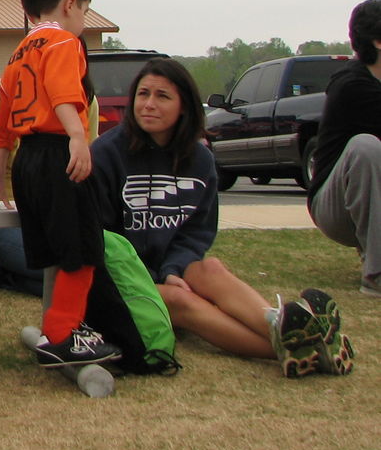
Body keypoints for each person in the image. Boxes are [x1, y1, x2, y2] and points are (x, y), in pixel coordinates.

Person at [91, 58, 354, 376]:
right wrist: (155, 277)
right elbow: (101, 239)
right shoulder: (106, 154)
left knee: (210, 267)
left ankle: (280, 322)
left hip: (168, 268)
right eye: (143, 94)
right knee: (179, 299)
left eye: (162, 96)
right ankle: (298, 350)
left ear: (184, 106)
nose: (148, 104)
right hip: (122, 279)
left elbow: (196, 233)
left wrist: (173, 268)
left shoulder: (200, 159)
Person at [0, 0, 122, 368]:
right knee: (82, 248)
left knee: (57, 249)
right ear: (71, 3)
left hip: (27, 161)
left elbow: (1, 121)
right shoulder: (63, 43)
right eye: (86, 11)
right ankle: (63, 333)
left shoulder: (19, 51)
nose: (84, 22)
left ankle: (60, 328)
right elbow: (62, 91)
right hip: (58, 154)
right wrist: (78, 135)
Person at [0, 88, 100, 298]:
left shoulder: (86, 100)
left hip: (61, 219)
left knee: (90, 276)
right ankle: (1, 272)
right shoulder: (8, 104)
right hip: (10, 222)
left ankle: (6, 274)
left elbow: (87, 167)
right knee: (67, 275)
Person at [308, 0, 381, 299]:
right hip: (335, 205)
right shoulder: (352, 85)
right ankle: (377, 274)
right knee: (365, 147)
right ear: (378, 41)